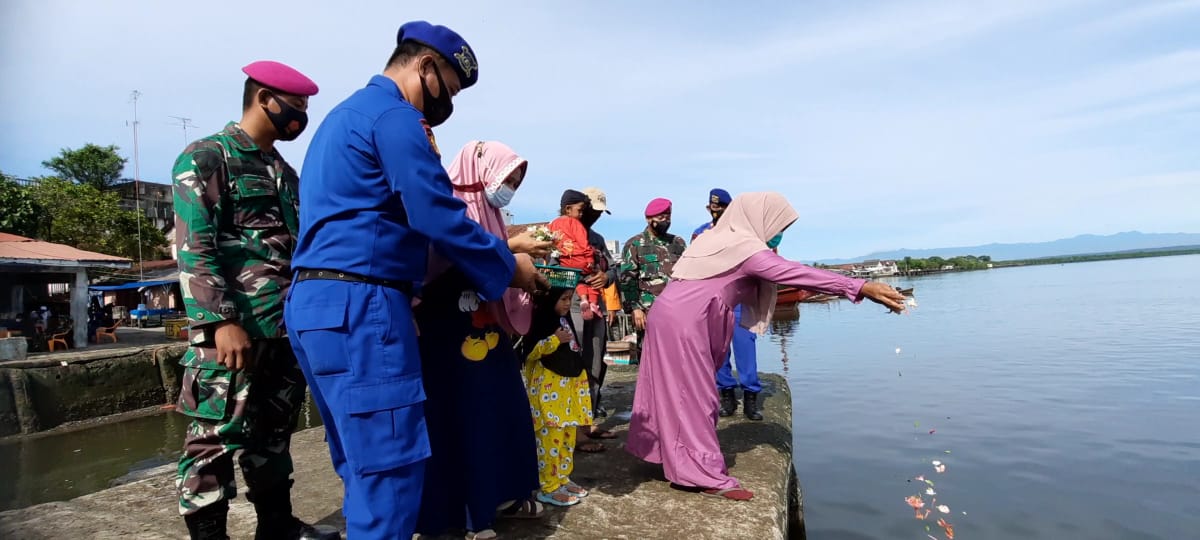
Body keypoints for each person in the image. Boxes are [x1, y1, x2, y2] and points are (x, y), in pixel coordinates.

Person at [284, 22, 544, 539]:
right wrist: (508, 266)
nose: (446, 102)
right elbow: (436, 214)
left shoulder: (342, 119)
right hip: (362, 302)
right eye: (448, 87)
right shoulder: (394, 118)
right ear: (425, 66)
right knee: (392, 474)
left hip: (318, 303)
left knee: (362, 467)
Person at [625, 192, 907, 501]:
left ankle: (665, 453)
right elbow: (796, 273)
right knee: (696, 395)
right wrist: (860, 286)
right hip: (689, 319)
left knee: (666, 388)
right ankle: (700, 474)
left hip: (667, 312)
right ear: (759, 219)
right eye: (777, 224)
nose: (778, 232)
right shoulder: (747, 249)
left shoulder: (715, 238)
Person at [171, 61, 337, 540]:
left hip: (282, 327)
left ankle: (277, 527)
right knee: (213, 440)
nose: (300, 115)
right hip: (231, 331)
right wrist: (219, 320)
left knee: (273, 437)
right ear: (264, 97)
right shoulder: (208, 157)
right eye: (297, 105)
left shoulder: (285, 172)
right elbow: (194, 246)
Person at [414, 141, 551, 539]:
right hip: (445, 334)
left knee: (499, 410)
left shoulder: (489, 213)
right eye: (507, 178)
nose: (508, 187)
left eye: (515, 182)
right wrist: (509, 254)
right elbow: (444, 258)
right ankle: (464, 513)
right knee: (458, 419)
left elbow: (486, 258)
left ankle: (500, 495)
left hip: (486, 332)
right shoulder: (445, 204)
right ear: (481, 171)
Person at [693, 188, 763, 421]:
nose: (716, 213)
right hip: (714, 299)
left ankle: (751, 397)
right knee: (718, 351)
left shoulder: (744, 233)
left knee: (745, 346)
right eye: (712, 209)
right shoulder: (700, 234)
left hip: (740, 298)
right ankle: (727, 395)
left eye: (721, 209)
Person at [521, 286, 594, 507]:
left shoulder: (565, 322)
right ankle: (548, 487)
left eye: (568, 299)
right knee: (549, 444)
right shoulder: (541, 323)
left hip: (567, 399)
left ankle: (562, 479)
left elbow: (573, 355)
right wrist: (553, 340)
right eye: (562, 299)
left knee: (566, 442)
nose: (566, 303)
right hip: (548, 401)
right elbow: (530, 353)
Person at [618, 197, 687, 360]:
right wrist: (635, 308)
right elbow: (628, 279)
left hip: (676, 310)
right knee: (651, 356)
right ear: (649, 219)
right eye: (661, 218)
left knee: (677, 355)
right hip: (648, 311)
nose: (666, 221)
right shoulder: (635, 244)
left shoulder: (678, 242)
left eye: (668, 217)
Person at [577, 187, 619, 431]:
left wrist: (606, 277)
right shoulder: (560, 233)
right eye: (594, 211)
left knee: (595, 363)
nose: (597, 216)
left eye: (600, 213)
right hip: (572, 304)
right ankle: (570, 425)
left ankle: (588, 420)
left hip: (597, 307)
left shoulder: (598, 239)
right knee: (573, 361)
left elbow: (613, 269)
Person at [549, 190, 599, 321]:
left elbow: (550, 244)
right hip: (580, 260)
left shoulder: (552, 224)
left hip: (565, 263)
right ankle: (593, 304)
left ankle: (583, 299)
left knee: (577, 281)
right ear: (568, 209)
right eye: (580, 210)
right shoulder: (576, 224)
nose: (582, 214)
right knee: (592, 279)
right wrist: (590, 259)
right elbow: (584, 243)